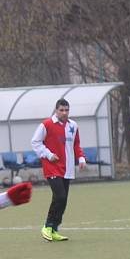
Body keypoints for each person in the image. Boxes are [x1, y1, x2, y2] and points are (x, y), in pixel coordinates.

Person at [31, 98, 86, 241]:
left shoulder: (73, 125)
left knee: (63, 200)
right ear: (56, 110)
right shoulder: (47, 124)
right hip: (52, 168)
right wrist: (48, 155)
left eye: (67, 110)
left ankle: (54, 229)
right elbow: (35, 142)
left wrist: (81, 158)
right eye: (61, 110)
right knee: (60, 196)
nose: (64, 113)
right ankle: (47, 226)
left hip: (67, 169)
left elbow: (76, 144)